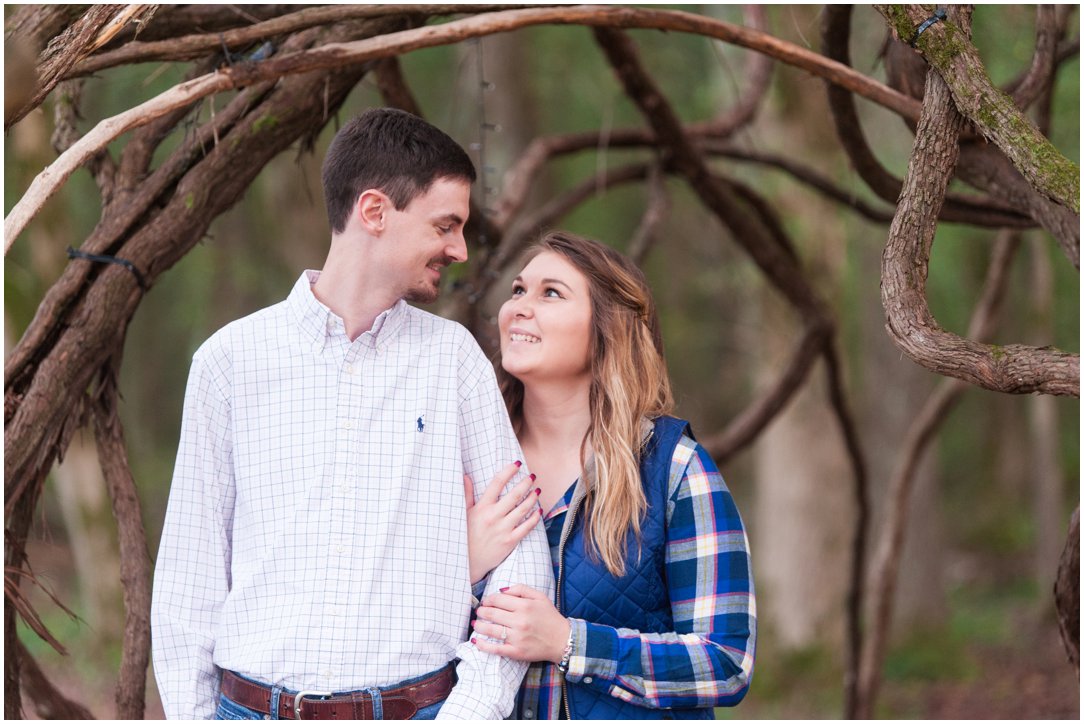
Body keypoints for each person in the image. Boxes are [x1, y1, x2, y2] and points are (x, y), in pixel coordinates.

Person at [151, 108, 554, 720]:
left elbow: (521, 560)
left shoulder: (454, 363)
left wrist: (470, 711)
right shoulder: (229, 363)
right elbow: (190, 581)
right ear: (374, 212)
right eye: (446, 225)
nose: (460, 249)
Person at [462, 231, 756, 719]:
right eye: (517, 290)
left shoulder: (673, 469)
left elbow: (725, 663)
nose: (518, 307)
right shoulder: (467, 461)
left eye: (550, 292)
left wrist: (568, 642)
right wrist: (463, 566)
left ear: (608, 328)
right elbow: (399, 638)